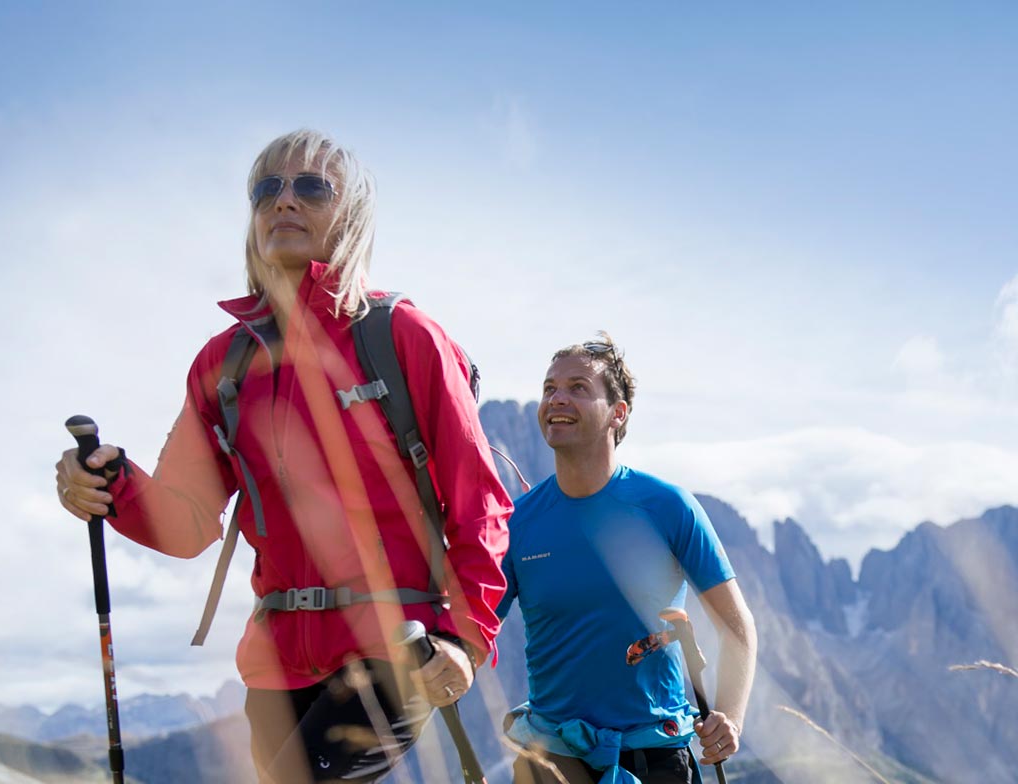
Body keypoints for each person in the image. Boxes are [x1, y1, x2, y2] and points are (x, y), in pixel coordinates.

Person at [53, 129, 510, 783]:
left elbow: (481, 503)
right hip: (273, 661)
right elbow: (186, 523)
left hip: (395, 649)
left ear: (350, 215)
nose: (283, 202)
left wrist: (467, 642)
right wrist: (109, 484)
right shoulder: (225, 364)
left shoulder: (405, 337)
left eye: (310, 188)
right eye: (266, 189)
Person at [500, 334, 758, 784]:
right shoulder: (517, 522)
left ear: (618, 413)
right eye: (549, 388)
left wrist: (729, 717)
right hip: (550, 760)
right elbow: (474, 629)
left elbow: (736, 625)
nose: (556, 399)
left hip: (655, 756)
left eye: (578, 387)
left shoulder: (667, 506)